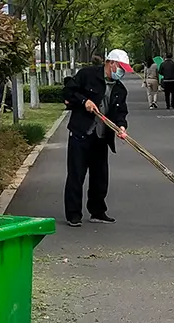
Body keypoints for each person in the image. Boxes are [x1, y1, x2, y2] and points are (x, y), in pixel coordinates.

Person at [61, 48, 130, 228]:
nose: (122, 72)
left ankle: (97, 211)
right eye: (120, 68)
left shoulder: (120, 89)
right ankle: (73, 215)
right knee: (76, 174)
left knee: (100, 176)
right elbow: (68, 92)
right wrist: (84, 101)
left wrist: (121, 126)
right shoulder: (87, 75)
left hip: (101, 136)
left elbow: (121, 111)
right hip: (80, 133)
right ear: (111, 63)